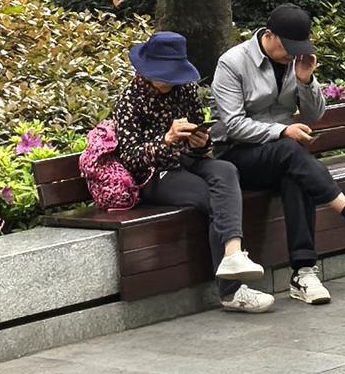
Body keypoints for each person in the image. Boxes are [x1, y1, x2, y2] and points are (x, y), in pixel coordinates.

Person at [210, 3, 345, 304]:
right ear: (269, 36)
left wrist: (305, 80)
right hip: (237, 154)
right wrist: (281, 131)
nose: (293, 54)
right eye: (289, 47)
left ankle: (304, 272)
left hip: (282, 154)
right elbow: (232, 125)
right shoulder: (233, 63)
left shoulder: (296, 64)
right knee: (290, 153)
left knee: (296, 174)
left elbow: (314, 114)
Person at [111, 29, 273, 315]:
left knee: (225, 170)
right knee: (212, 198)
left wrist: (201, 141)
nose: (169, 82)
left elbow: (200, 138)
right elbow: (130, 158)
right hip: (152, 175)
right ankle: (231, 291)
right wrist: (166, 139)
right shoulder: (129, 101)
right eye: (164, 75)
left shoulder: (184, 90)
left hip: (185, 160)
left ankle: (234, 254)